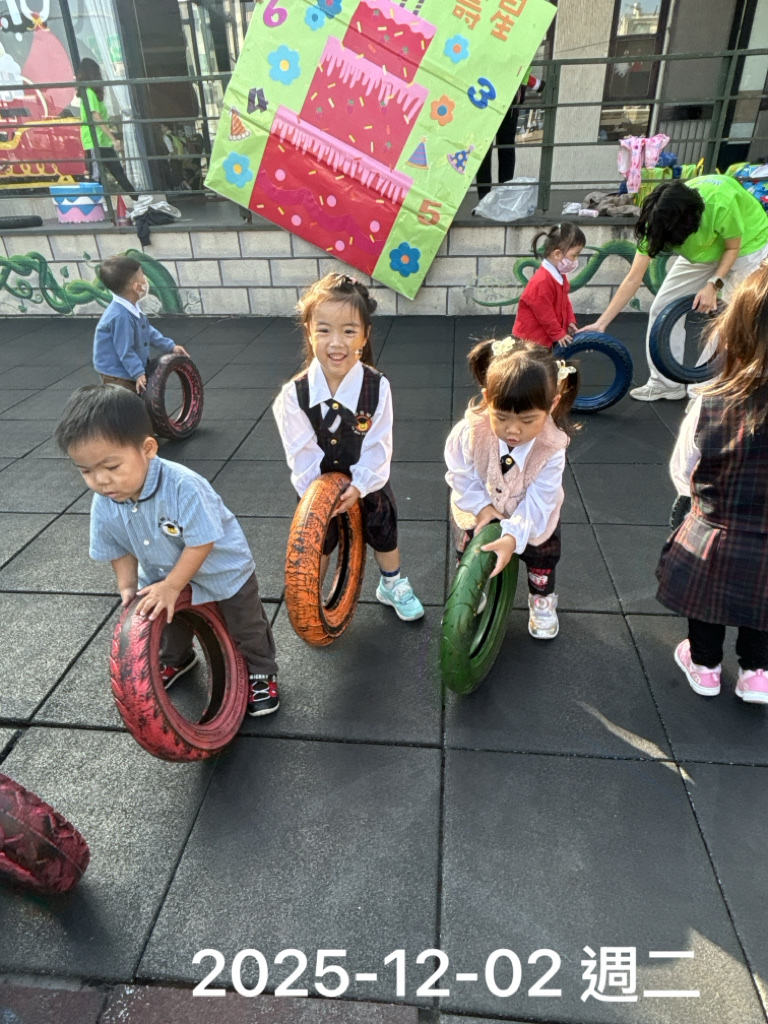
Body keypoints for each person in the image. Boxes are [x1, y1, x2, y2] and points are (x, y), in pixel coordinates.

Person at [54, 385, 280, 715]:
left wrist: (174, 585)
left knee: (245, 626)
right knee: (169, 621)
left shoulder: (183, 487)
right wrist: (128, 586)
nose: (101, 481)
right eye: (86, 471)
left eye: (111, 467)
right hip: (162, 575)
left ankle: (261, 672)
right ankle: (178, 659)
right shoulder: (104, 502)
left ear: (147, 448)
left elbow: (201, 542)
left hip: (223, 571)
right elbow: (116, 546)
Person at [272, 273, 425, 622]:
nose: (336, 343)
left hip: (365, 477)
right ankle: (311, 592)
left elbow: (378, 444)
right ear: (309, 332)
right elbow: (302, 454)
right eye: (324, 330)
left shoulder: (377, 387)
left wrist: (361, 484)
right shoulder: (294, 396)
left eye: (349, 331)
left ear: (365, 335)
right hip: (317, 483)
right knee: (318, 537)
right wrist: (320, 498)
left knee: (382, 526)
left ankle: (391, 583)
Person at [656, 265, 768, 703]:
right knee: (762, 605)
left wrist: (696, 503)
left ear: (735, 332)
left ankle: (704, 665)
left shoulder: (711, 402)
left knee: (706, 599)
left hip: (715, 532)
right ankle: (757, 672)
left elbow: (683, 469)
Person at [578, 174, 768, 401]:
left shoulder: (721, 203)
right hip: (704, 250)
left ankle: (705, 389)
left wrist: (713, 284)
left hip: (747, 246)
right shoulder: (658, 221)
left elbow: (732, 249)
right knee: (663, 307)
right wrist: (602, 322)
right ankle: (666, 384)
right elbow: (633, 278)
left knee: (730, 316)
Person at [444, 338, 578, 639]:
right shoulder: (471, 431)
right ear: (487, 398)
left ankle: (541, 598)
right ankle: (473, 584)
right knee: (470, 545)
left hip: (530, 511)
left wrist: (513, 535)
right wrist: (482, 508)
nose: (513, 430)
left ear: (552, 404)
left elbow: (540, 501)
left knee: (542, 554)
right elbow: (460, 473)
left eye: (527, 420)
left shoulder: (551, 448)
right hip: (480, 502)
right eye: (501, 417)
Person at [93, 255, 187, 394]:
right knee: (126, 399)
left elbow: (147, 331)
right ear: (136, 287)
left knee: (140, 394)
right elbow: (125, 351)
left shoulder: (131, 306)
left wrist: (170, 346)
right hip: (116, 373)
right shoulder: (121, 317)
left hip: (128, 364)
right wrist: (138, 372)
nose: (146, 279)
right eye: (143, 276)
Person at [512, 222, 586, 349]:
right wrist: (558, 333)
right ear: (557, 254)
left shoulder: (559, 275)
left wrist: (569, 320)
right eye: (574, 255)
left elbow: (565, 301)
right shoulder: (542, 282)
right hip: (530, 341)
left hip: (544, 338)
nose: (575, 260)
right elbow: (545, 314)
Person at [475, 70, 544, 202]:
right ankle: (486, 198)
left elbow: (524, 68)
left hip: (504, 100)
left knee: (504, 149)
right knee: (488, 151)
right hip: (488, 99)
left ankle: (500, 195)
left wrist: (524, 87)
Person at [75, 57, 138, 200]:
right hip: (95, 140)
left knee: (116, 171)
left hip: (101, 140)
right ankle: (95, 205)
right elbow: (96, 117)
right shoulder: (88, 92)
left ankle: (137, 199)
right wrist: (113, 138)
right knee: (97, 176)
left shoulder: (89, 93)